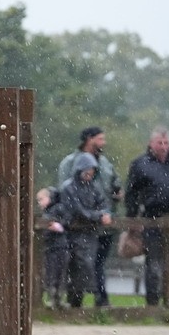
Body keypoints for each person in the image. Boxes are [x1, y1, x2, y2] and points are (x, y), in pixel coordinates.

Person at [58, 126, 121, 307]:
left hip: (103, 223)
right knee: (78, 263)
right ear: (89, 139)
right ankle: (75, 300)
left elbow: (112, 185)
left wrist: (115, 197)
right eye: (100, 139)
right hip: (79, 225)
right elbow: (65, 193)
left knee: (98, 263)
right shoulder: (70, 163)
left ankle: (100, 299)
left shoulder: (106, 164)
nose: (104, 143)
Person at [124, 127, 169, 306]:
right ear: (151, 144)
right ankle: (153, 301)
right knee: (154, 262)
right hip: (152, 219)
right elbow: (132, 194)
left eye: (166, 143)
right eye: (160, 143)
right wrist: (132, 218)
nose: (163, 146)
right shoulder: (140, 164)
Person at [51, 153, 113, 308]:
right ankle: (64, 300)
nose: (89, 174)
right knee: (68, 267)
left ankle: (77, 302)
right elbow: (78, 211)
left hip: (89, 235)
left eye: (92, 171)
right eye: (87, 171)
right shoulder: (68, 187)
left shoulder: (94, 187)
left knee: (85, 267)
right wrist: (99, 216)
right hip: (69, 234)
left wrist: (105, 214)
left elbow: (103, 204)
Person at [36, 186, 68, 309]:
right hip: (55, 246)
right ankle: (55, 297)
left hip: (57, 246)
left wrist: (57, 227)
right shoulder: (50, 212)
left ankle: (56, 298)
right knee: (54, 273)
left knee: (56, 273)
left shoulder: (55, 210)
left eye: (41, 199)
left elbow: (65, 222)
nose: (39, 203)